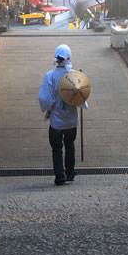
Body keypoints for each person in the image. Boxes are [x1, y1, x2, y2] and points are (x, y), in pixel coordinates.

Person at [38, 44, 78, 186]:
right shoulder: (74, 75)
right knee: (70, 144)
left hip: (56, 119)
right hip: (71, 119)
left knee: (56, 148)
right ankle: (71, 173)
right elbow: (81, 96)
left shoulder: (50, 75)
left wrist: (48, 108)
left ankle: (60, 177)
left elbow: (44, 98)